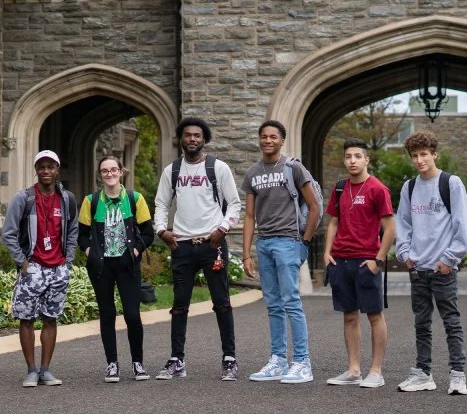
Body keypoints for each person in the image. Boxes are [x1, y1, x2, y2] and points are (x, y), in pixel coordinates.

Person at [153, 117, 242, 381]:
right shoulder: (172, 171)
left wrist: (222, 229)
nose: (192, 139)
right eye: (188, 135)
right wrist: (161, 231)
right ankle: (177, 360)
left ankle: (229, 360)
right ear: (181, 139)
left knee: (222, 303)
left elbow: (235, 204)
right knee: (179, 305)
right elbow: (160, 204)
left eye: (197, 136)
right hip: (181, 246)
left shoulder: (218, 168)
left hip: (212, 244)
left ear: (204, 139)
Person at [242, 120, 320, 384]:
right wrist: (246, 253)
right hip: (264, 244)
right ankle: (277, 360)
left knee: (291, 302)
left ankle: (302, 362)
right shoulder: (253, 173)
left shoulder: (293, 168)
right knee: (273, 305)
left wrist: (304, 242)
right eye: (263, 136)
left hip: (288, 241)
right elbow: (250, 216)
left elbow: (315, 206)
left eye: (273, 136)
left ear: (282, 140)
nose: (267, 140)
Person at [395, 130, 467, 396]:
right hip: (418, 269)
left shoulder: (451, 183)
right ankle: (423, 374)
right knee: (421, 323)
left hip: (443, 268)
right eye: (415, 156)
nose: (419, 160)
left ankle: (458, 375)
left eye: (424, 154)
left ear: (434, 154)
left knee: (451, 321)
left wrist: (450, 259)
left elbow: (463, 225)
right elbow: (402, 223)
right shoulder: (410, 187)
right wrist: (405, 254)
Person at [322, 138, 396, 388]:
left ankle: (376, 372)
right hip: (341, 260)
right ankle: (353, 370)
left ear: (367, 159)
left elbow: (390, 228)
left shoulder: (377, 188)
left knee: (374, 315)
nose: (352, 161)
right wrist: (327, 252)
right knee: (349, 316)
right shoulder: (340, 188)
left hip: (366, 262)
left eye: (357, 156)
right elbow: (333, 221)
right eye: (348, 157)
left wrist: (378, 260)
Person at [2, 150, 79, 387]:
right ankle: (31, 371)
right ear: (36, 170)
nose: (46, 171)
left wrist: (67, 260)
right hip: (33, 268)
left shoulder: (67, 199)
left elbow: (73, 229)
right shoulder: (23, 198)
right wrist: (22, 262)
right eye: (41, 167)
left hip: (58, 269)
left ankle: (45, 371)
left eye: (51, 167)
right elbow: (9, 233)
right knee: (26, 319)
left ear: (58, 170)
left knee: (50, 319)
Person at [78, 156, 155, 383]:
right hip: (101, 267)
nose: (109, 174)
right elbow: (82, 234)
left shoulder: (134, 199)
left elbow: (148, 233)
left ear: (121, 172)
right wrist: (89, 252)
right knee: (107, 314)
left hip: (127, 265)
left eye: (113, 170)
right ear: (100, 174)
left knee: (132, 315)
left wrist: (135, 251)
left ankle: (137, 363)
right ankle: (112, 364)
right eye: (104, 171)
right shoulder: (90, 201)